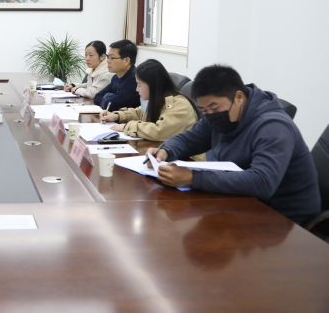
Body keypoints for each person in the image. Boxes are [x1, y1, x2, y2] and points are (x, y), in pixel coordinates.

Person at [148, 65, 320, 225]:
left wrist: (193, 178)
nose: (210, 114)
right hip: (243, 202)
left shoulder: (273, 126)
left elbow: (263, 181)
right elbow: (190, 139)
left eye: (214, 107)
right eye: (204, 110)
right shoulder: (217, 114)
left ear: (238, 97)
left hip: (284, 219)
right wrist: (166, 150)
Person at [101, 59, 199, 143]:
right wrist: (117, 116)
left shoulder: (179, 105)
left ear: (153, 85)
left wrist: (125, 127)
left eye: (139, 85)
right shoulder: (160, 100)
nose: (136, 89)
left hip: (189, 158)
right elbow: (141, 112)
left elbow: (159, 131)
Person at [93, 39, 139, 110]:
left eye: (112, 58)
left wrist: (107, 96)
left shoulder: (134, 80)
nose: (108, 61)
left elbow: (111, 105)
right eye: (108, 57)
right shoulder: (116, 77)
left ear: (126, 60)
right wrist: (109, 97)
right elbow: (97, 97)